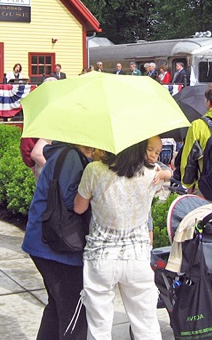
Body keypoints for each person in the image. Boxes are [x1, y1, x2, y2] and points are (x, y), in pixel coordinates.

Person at [74, 140, 163, 340]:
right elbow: (164, 179)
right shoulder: (151, 173)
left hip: (101, 257)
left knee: (99, 328)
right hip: (137, 257)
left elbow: (79, 207)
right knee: (146, 325)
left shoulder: (94, 170)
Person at [21, 141, 93, 340]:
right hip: (58, 249)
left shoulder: (64, 152)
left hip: (44, 243)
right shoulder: (71, 156)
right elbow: (73, 202)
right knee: (74, 314)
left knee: (57, 306)